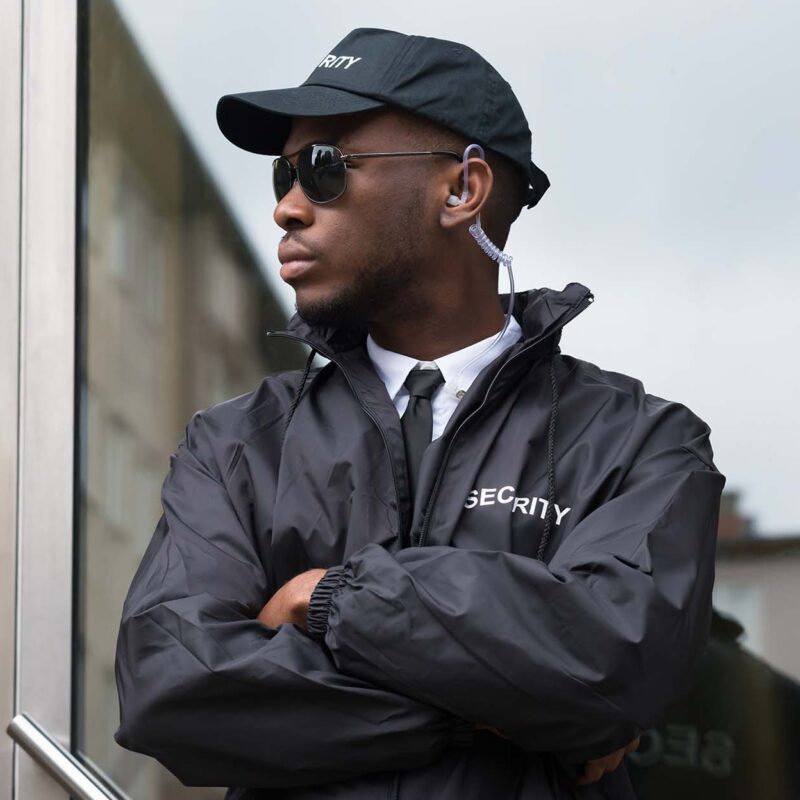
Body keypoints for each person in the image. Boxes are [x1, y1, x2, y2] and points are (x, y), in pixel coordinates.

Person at [113, 27, 726, 800]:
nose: (288, 209)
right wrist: (506, 714)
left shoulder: (638, 441)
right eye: (282, 175)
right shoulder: (236, 444)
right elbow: (174, 685)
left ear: (461, 190)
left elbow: (618, 659)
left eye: (325, 168)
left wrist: (330, 598)